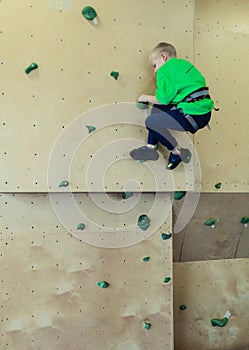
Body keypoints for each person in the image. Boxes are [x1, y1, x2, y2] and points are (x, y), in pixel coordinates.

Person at [130, 42, 214, 170]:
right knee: (158, 110)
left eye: (154, 65)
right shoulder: (185, 65)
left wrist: (144, 97)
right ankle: (150, 147)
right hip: (204, 113)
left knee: (151, 122)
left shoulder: (165, 70)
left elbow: (163, 99)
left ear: (163, 57)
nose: (155, 70)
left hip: (191, 114)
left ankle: (177, 152)